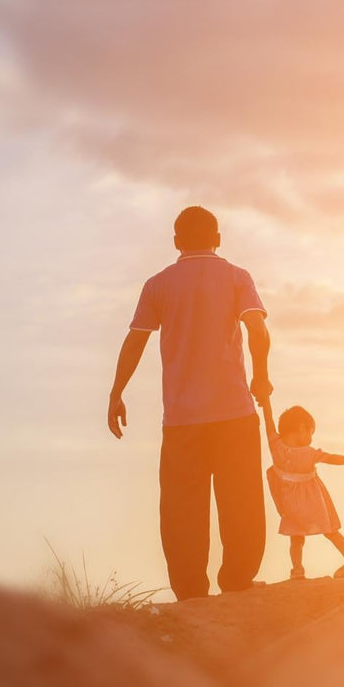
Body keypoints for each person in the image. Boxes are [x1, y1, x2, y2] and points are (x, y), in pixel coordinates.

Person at [106, 206, 272, 600]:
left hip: (182, 419)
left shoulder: (158, 284)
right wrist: (261, 375)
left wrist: (116, 392)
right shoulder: (237, 277)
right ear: (218, 239)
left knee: (182, 509)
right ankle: (238, 579)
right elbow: (257, 329)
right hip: (234, 412)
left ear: (177, 242)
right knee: (242, 500)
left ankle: (190, 590)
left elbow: (136, 339)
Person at [261, 400, 344, 580]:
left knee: (297, 536)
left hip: (292, 503)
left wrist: (265, 400)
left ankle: (298, 569)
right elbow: (330, 458)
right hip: (314, 501)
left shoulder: (275, 445)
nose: (311, 438)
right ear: (302, 428)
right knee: (329, 530)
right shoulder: (308, 453)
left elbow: (268, 420)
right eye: (311, 432)